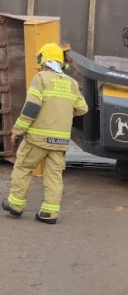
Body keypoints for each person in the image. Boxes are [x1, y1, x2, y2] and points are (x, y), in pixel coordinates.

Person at [1, 43, 88, 224]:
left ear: (43, 60)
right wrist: (63, 110)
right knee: (54, 176)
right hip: (60, 142)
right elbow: (83, 109)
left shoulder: (41, 78)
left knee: (23, 168)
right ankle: (49, 213)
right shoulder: (71, 83)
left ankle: (16, 206)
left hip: (37, 140)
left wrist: (17, 130)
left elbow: (31, 107)